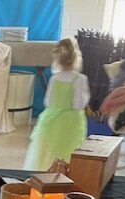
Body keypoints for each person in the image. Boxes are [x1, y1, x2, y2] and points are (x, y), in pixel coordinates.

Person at [23, 37, 90, 171]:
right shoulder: (80, 79)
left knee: (47, 151)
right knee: (68, 150)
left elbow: (47, 102)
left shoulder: (55, 78)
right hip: (71, 123)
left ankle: (45, 174)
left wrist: (57, 107)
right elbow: (78, 105)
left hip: (52, 119)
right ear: (77, 57)